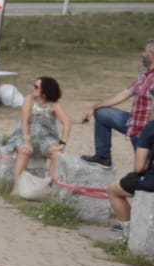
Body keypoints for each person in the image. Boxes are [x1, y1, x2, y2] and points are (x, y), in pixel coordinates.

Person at [78, 40, 154, 169]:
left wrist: (147, 133)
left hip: (145, 132)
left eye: (145, 51)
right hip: (132, 123)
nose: (142, 53)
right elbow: (124, 94)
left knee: (143, 171)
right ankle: (103, 157)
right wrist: (94, 107)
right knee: (102, 114)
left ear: (152, 54)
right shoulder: (145, 76)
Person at [9, 76, 71, 191]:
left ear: (45, 91)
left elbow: (67, 123)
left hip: (46, 137)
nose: (33, 88)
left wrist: (63, 142)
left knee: (56, 154)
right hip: (26, 133)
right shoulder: (29, 99)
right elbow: (25, 121)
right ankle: (17, 186)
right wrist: (27, 141)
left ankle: (48, 187)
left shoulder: (55, 105)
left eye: (36, 87)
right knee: (24, 151)